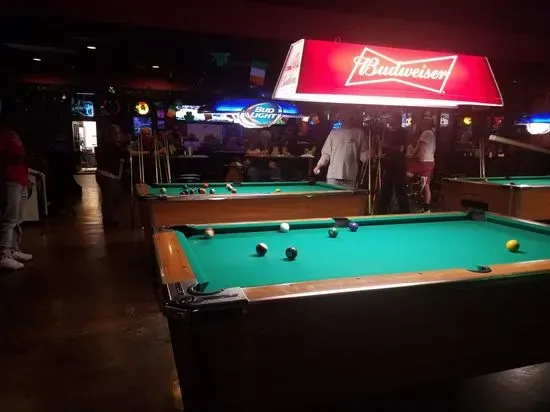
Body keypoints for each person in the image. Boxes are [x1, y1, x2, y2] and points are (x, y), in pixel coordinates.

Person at [0, 116, 33, 270]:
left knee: (17, 217)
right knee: (10, 217)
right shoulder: (4, 133)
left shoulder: (14, 134)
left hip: (20, 178)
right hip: (11, 179)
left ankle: (13, 249)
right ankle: (4, 254)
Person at [313, 117, 369, 188]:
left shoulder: (359, 133)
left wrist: (369, 154)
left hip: (350, 176)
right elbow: (326, 153)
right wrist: (319, 165)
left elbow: (362, 156)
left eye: (348, 117)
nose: (346, 119)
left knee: (347, 196)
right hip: (333, 175)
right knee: (332, 195)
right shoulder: (333, 133)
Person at [376, 114, 410, 214]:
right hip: (388, 166)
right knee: (385, 191)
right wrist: (381, 151)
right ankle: (381, 214)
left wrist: (386, 145)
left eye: (392, 119)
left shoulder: (403, 132)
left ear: (397, 120)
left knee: (401, 191)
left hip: (399, 166)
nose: (390, 121)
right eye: (389, 119)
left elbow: (401, 148)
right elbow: (382, 147)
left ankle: (405, 214)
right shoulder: (386, 131)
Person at [95, 125, 128, 227]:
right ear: (111, 135)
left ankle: (109, 219)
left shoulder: (113, 145)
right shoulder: (110, 146)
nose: (119, 135)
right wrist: (144, 152)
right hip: (107, 175)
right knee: (110, 199)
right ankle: (107, 221)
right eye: (117, 133)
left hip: (109, 175)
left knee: (115, 197)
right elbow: (126, 153)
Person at [406, 118, 437, 212]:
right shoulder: (432, 133)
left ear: (426, 124)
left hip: (423, 161)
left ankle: (417, 179)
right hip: (430, 161)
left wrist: (413, 156)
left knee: (404, 170)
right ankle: (426, 209)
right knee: (426, 185)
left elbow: (421, 148)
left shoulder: (426, 133)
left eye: (423, 123)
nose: (421, 125)